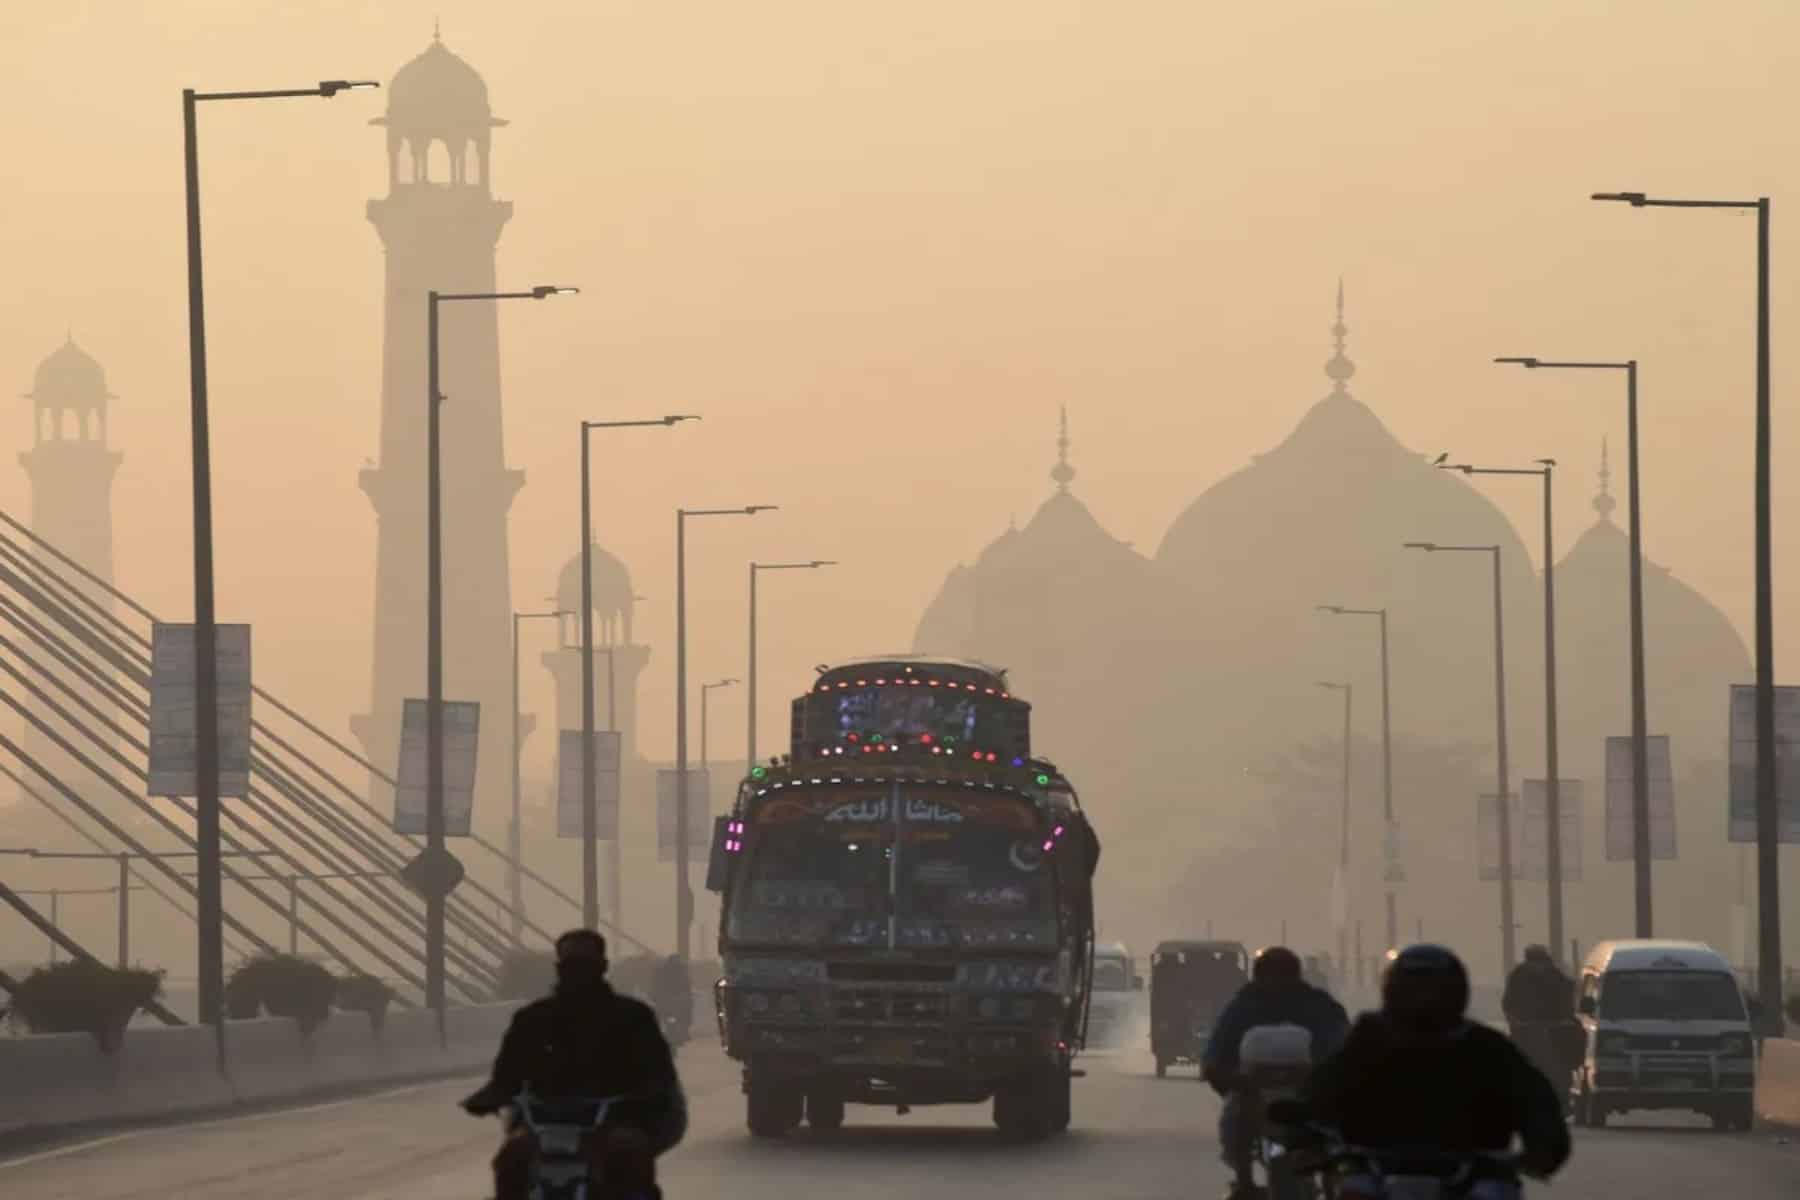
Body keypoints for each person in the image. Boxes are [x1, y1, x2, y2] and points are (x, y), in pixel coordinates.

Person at [1300, 944, 1571, 1198]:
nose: (1423, 1001)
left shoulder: (1484, 1045)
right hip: (1378, 1173)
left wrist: (1544, 1146)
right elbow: (1320, 1089)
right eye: (1413, 992)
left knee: (1495, 1191)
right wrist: (1302, 1126)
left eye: (1433, 991)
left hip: (1472, 1175)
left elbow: (1535, 1100)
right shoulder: (1368, 1040)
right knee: (1354, 1188)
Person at [463, 930, 687, 1200]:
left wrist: (645, 1098)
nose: (578, 974)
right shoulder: (532, 1020)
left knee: (629, 1153)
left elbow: (658, 1072)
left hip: (613, 1122)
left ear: (602, 968)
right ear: (559, 969)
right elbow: (507, 1075)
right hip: (543, 1127)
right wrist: (489, 1097)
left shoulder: (633, 1018)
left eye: (586, 966)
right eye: (571, 966)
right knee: (512, 1158)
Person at [1202, 946, 1350, 1200]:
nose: (1277, 982)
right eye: (1271, 975)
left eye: (1284, 975)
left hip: (1310, 1092)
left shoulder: (1319, 1006)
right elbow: (1217, 1052)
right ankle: (1244, 1181)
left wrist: (1331, 1076)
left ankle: (1336, 1180)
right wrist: (1225, 1076)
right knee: (1234, 1119)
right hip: (1253, 1094)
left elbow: (1342, 1045)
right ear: (1258, 977)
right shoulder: (1242, 1007)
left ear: (1297, 976)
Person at [1502, 945, 1576, 1086]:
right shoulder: (1518, 975)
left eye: (1540, 961)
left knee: (1572, 1043)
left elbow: (1567, 996)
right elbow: (1508, 1002)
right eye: (1534, 961)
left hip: (1555, 1029)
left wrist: (1567, 1019)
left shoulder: (1556, 975)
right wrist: (1514, 1020)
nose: (1537, 966)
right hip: (1526, 1028)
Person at [650, 954, 694, 1044]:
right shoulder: (680, 971)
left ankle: (682, 1032)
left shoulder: (661, 971)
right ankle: (683, 1033)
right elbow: (687, 987)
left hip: (669, 1002)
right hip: (671, 1002)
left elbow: (687, 987)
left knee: (677, 1015)